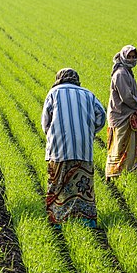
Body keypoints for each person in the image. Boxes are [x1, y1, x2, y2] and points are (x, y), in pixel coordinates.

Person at [41, 68, 106, 229]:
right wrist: (89, 131)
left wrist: (51, 134)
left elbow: (45, 121)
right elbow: (102, 115)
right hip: (83, 146)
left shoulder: (54, 93)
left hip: (59, 146)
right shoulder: (88, 94)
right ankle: (86, 220)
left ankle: (57, 219)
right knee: (82, 184)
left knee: (58, 182)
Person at [105, 45, 137, 181]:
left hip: (127, 116)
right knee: (119, 148)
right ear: (123, 56)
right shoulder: (121, 74)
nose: (131, 59)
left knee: (132, 147)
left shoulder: (126, 71)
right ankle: (112, 176)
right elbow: (127, 98)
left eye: (133, 56)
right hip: (121, 117)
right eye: (128, 56)